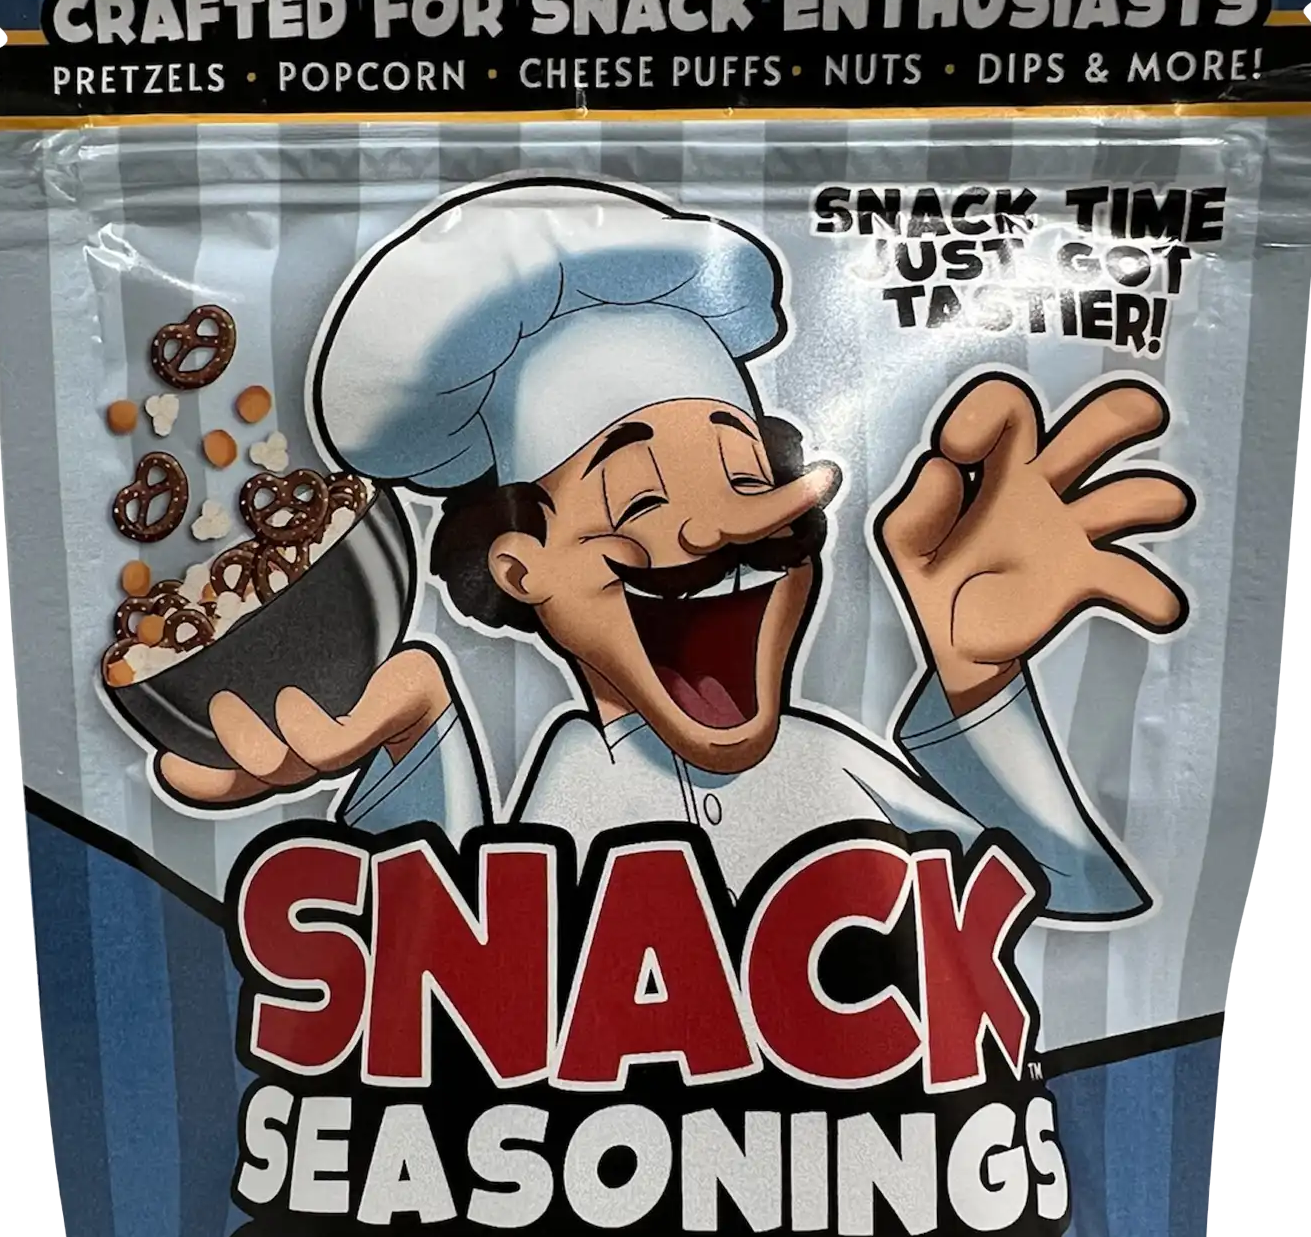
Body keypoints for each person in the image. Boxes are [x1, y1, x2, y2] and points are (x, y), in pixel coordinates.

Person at [158, 178, 1194, 921]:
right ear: (520, 569)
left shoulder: (834, 770)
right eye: (641, 496)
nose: (724, 535)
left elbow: (1056, 907)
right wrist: (413, 742)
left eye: (747, 480)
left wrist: (979, 684)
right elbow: (434, 988)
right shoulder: (560, 802)